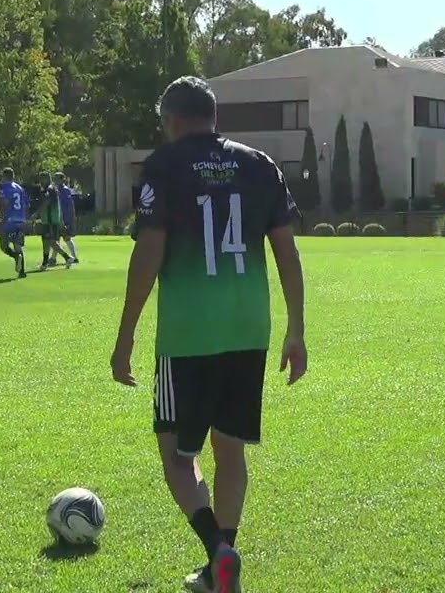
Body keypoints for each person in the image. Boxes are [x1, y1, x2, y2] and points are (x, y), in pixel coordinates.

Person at [110, 76, 307, 593]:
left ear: (173, 121)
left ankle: (218, 551)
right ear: (213, 116)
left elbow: (148, 250)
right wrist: (297, 328)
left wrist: (126, 334)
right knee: (231, 450)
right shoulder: (260, 165)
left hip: (188, 335)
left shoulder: (165, 165)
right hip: (249, 329)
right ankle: (224, 565)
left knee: (176, 453)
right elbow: (287, 249)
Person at [0, 168, 30, 278]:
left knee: (4, 245)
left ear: (4, 176)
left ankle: (16, 257)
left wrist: (1, 215)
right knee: (18, 245)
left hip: (9, 219)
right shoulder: (20, 188)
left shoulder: (4, 188)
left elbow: (5, 202)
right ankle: (22, 272)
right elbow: (26, 204)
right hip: (21, 219)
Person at [38, 174, 72, 270]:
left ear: (47, 179)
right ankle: (45, 263)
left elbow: (47, 202)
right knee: (45, 242)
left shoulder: (50, 189)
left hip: (51, 220)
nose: (41, 181)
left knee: (51, 241)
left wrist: (37, 213)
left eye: (42, 179)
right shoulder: (50, 189)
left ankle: (67, 257)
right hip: (48, 220)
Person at [54, 172, 80, 263]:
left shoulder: (65, 191)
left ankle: (74, 256)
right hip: (58, 218)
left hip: (64, 218)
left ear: (62, 179)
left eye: (58, 179)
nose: (56, 181)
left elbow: (69, 207)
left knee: (66, 238)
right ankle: (53, 258)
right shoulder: (56, 190)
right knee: (56, 239)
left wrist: (68, 220)